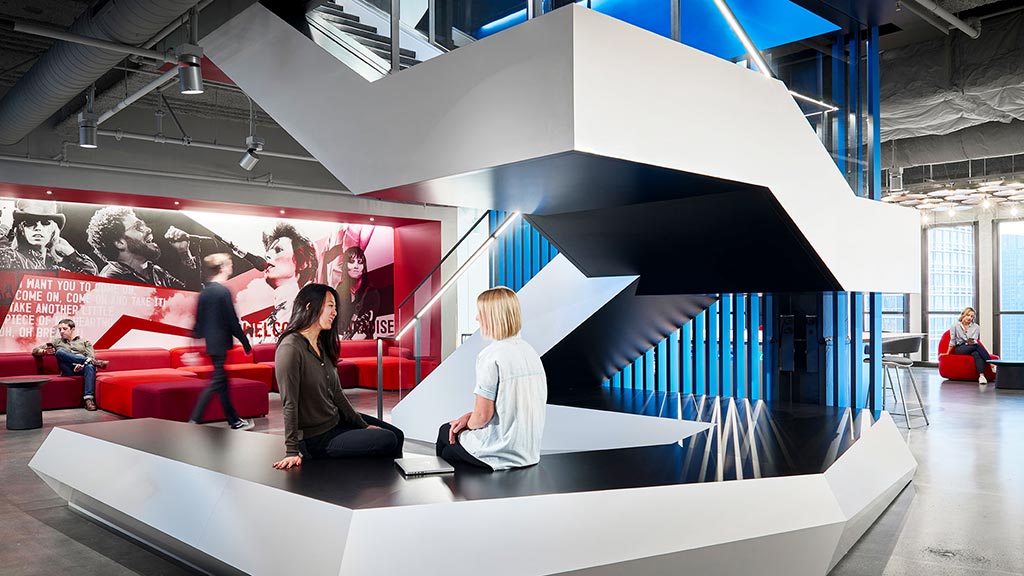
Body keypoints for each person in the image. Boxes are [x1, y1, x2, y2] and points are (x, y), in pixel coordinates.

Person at [272, 283, 403, 470]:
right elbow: (289, 402)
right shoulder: (290, 347)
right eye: (331, 306)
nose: (335, 312)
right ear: (310, 306)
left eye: (335, 307)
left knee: (396, 435)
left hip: (336, 422)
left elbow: (338, 394)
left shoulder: (322, 344)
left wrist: (361, 425)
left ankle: (391, 483)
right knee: (387, 439)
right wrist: (292, 451)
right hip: (316, 439)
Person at [436, 287, 547, 471]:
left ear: (491, 316)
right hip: (529, 453)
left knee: (445, 432)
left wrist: (465, 425)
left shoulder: (490, 356)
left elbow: (482, 417)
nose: (477, 318)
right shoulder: (530, 352)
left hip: (499, 452)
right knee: (454, 441)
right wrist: (467, 417)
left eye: (480, 313)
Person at [189, 254, 254, 430]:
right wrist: (245, 342)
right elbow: (232, 321)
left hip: (211, 344)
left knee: (222, 383)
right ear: (223, 268)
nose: (231, 267)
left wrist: (194, 346)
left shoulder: (204, 293)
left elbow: (198, 323)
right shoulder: (223, 292)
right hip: (220, 344)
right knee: (217, 382)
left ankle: (234, 421)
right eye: (229, 264)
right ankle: (194, 419)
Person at [86, 206, 185, 289]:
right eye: (137, 227)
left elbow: (189, 298)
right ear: (120, 243)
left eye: (143, 225)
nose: (148, 229)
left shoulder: (156, 272)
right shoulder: (110, 283)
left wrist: (184, 252)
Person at [256, 222, 319, 343]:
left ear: (303, 263)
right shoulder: (269, 321)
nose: (267, 255)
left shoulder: (308, 312)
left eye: (278, 250)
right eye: (268, 251)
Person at [0, 200, 97, 274]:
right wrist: (3, 229)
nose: (38, 228)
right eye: (30, 222)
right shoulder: (10, 257)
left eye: (46, 223)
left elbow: (90, 280)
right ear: (22, 229)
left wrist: (72, 254)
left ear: (53, 230)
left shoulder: (54, 269)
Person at [31, 318, 109, 411]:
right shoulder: (57, 342)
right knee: (60, 352)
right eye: (60, 329)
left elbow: (91, 356)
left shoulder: (84, 342)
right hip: (67, 369)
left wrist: (82, 365)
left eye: (64, 329)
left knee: (90, 366)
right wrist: (44, 351)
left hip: (82, 368)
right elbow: (35, 351)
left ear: (72, 329)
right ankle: (93, 362)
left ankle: (88, 399)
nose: (61, 331)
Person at [334, 246, 380, 340]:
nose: (356, 266)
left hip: (362, 344)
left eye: (360, 262)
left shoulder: (371, 293)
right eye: (351, 262)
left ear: (364, 267)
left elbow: (368, 324)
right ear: (345, 265)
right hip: (341, 343)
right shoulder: (338, 291)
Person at [947, 306, 994, 384]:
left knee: (976, 353)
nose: (970, 318)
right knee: (976, 346)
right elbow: (952, 341)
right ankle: (991, 363)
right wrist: (947, 353)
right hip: (960, 348)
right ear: (963, 315)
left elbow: (974, 339)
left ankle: (981, 376)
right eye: (968, 315)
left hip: (971, 346)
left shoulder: (976, 327)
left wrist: (970, 341)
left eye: (972, 316)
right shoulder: (955, 326)